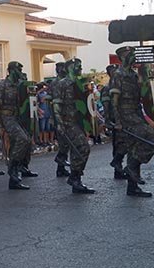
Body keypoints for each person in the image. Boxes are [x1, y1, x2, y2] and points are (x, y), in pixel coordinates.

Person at [109, 46, 154, 197]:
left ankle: (132, 186)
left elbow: (141, 98)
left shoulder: (132, 74)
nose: (133, 56)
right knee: (153, 139)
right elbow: (114, 101)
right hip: (125, 116)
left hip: (136, 114)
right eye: (129, 54)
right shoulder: (118, 75)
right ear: (122, 57)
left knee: (134, 148)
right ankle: (131, 169)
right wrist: (117, 122)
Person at [52, 59, 95, 194]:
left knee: (79, 149)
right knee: (82, 147)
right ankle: (75, 178)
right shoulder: (62, 84)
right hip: (67, 122)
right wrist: (59, 123)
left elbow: (87, 104)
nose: (81, 68)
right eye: (78, 66)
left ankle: (75, 178)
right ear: (70, 67)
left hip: (79, 122)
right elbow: (56, 104)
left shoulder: (80, 83)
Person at [0, 61, 33, 190]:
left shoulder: (19, 85)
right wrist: (0, 126)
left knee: (26, 142)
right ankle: (13, 168)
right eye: (19, 70)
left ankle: (14, 176)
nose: (21, 72)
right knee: (23, 139)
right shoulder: (2, 85)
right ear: (11, 70)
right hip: (7, 117)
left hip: (18, 117)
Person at [100, 64, 127, 180]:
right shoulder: (107, 88)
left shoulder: (120, 86)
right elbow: (106, 106)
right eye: (112, 71)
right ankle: (117, 167)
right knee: (119, 145)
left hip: (123, 118)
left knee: (124, 144)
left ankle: (118, 166)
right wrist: (108, 121)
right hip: (114, 120)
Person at [52, 62, 71, 177]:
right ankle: (60, 159)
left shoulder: (67, 81)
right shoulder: (55, 83)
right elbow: (51, 101)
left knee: (66, 141)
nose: (62, 70)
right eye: (60, 68)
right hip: (58, 114)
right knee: (63, 141)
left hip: (67, 115)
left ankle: (61, 167)